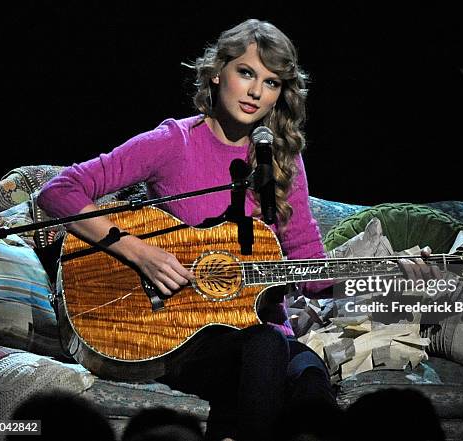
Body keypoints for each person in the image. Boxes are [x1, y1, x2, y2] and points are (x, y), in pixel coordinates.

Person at [38, 18, 434, 441]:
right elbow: (59, 191)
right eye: (246, 73)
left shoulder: (282, 161)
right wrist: (140, 252)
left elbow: (311, 274)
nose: (256, 92)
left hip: (255, 332)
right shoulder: (174, 142)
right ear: (216, 72)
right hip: (174, 329)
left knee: (309, 381)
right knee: (270, 351)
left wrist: (386, 271)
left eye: (272, 82)